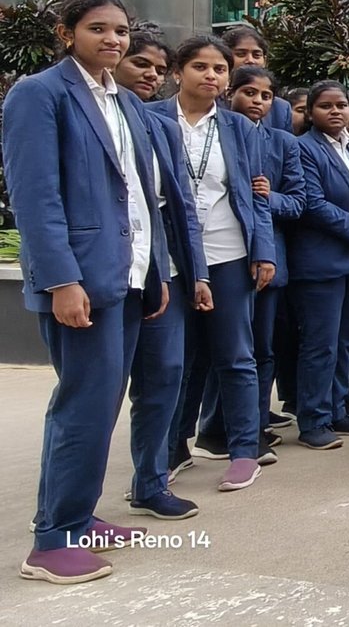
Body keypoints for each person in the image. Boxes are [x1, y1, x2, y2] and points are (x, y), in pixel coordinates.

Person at [6, 0, 172, 583]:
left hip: (128, 274)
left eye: (121, 30)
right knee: (82, 404)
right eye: (98, 28)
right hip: (80, 279)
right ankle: (51, 541)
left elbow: (141, 195)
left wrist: (155, 272)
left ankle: (80, 518)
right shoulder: (39, 94)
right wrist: (61, 279)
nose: (113, 40)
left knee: (103, 405)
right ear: (66, 32)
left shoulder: (124, 101)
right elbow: (35, 197)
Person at [148, 37, 276, 493]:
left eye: (220, 69)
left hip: (227, 252)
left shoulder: (239, 127)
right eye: (200, 66)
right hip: (171, 257)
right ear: (177, 72)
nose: (211, 76)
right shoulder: (151, 118)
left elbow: (256, 196)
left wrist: (264, 251)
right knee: (172, 361)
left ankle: (243, 451)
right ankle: (171, 450)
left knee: (235, 355)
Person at [110, 31, 207, 519]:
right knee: (95, 396)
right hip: (104, 278)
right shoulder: (80, 112)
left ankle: (150, 483)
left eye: (157, 67)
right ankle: (62, 506)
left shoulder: (159, 127)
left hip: (162, 276)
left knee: (165, 378)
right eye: (140, 63)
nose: (151, 74)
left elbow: (181, 207)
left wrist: (198, 273)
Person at [289, 81, 349, 450]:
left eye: (341, 105)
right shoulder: (304, 148)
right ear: (311, 111)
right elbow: (312, 203)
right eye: (326, 106)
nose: (336, 112)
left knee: (348, 341)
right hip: (322, 261)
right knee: (321, 344)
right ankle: (313, 420)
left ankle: (338, 409)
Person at [226, 66, 305, 447]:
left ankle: (254, 426)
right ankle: (212, 429)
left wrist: (268, 196)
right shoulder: (216, 133)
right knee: (222, 352)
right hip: (222, 255)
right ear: (230, 93)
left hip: (269, 259)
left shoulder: (283, 142)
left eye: (266, 95)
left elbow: (298, 202)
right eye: (249, 93)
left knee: (261, 349)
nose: (257, 101)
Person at [221, 25, 294, 133]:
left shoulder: (281, 109)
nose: (250, 60)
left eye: (256, 55)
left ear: (265, 60)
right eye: (241, 54)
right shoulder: (211, 99)